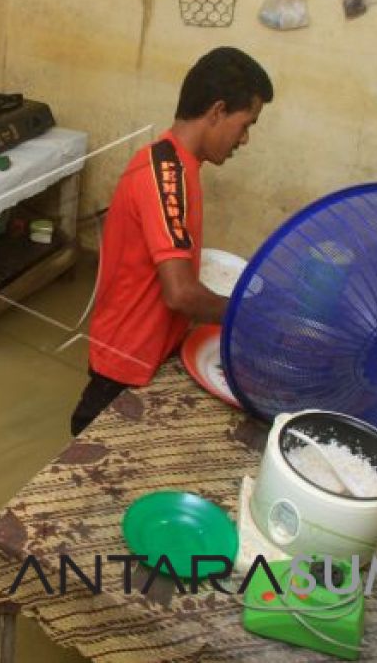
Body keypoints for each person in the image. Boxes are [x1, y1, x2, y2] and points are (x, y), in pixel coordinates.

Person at [71, 47, 273, 435]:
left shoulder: (181, 166)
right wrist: (253, 318)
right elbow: (179, 293)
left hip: (154, 350)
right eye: (245, 124)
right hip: (127, 362)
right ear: (216, 111)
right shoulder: (165, 174)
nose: (244, 139)